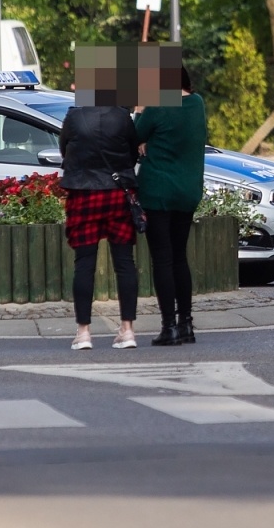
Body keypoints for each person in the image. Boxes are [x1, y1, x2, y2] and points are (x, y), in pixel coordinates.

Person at [59, 99, 141, 350]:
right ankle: (127, 330)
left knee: (84, 263)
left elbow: (64, 150)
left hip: (83, 193)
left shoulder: (74, 117)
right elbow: (132, 153)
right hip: (118, 192)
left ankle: (83, 333)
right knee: (125, 262)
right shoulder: (122, 116)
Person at [135, 65, 207, 346]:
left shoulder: (156, 107)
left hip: (158, 193)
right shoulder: (197, 104)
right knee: (180, 257)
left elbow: (133, 136)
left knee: (162, 259)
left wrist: (140, 110)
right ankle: (186, 322)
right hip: (187, 192)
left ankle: (168, 327)